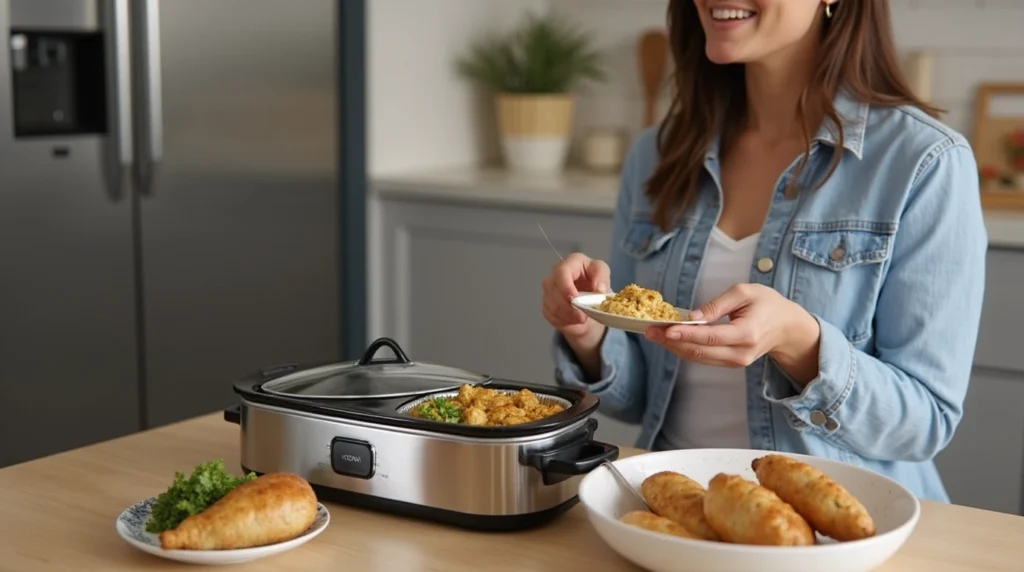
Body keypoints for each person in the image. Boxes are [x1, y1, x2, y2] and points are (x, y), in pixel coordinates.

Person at [541, 0, 987, 502]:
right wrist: (592, 331)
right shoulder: (658, 153)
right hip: (673, 507)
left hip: (830, 529)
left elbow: (926, 423)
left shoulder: (924, 163)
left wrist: (801, 343)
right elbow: (638, 399)